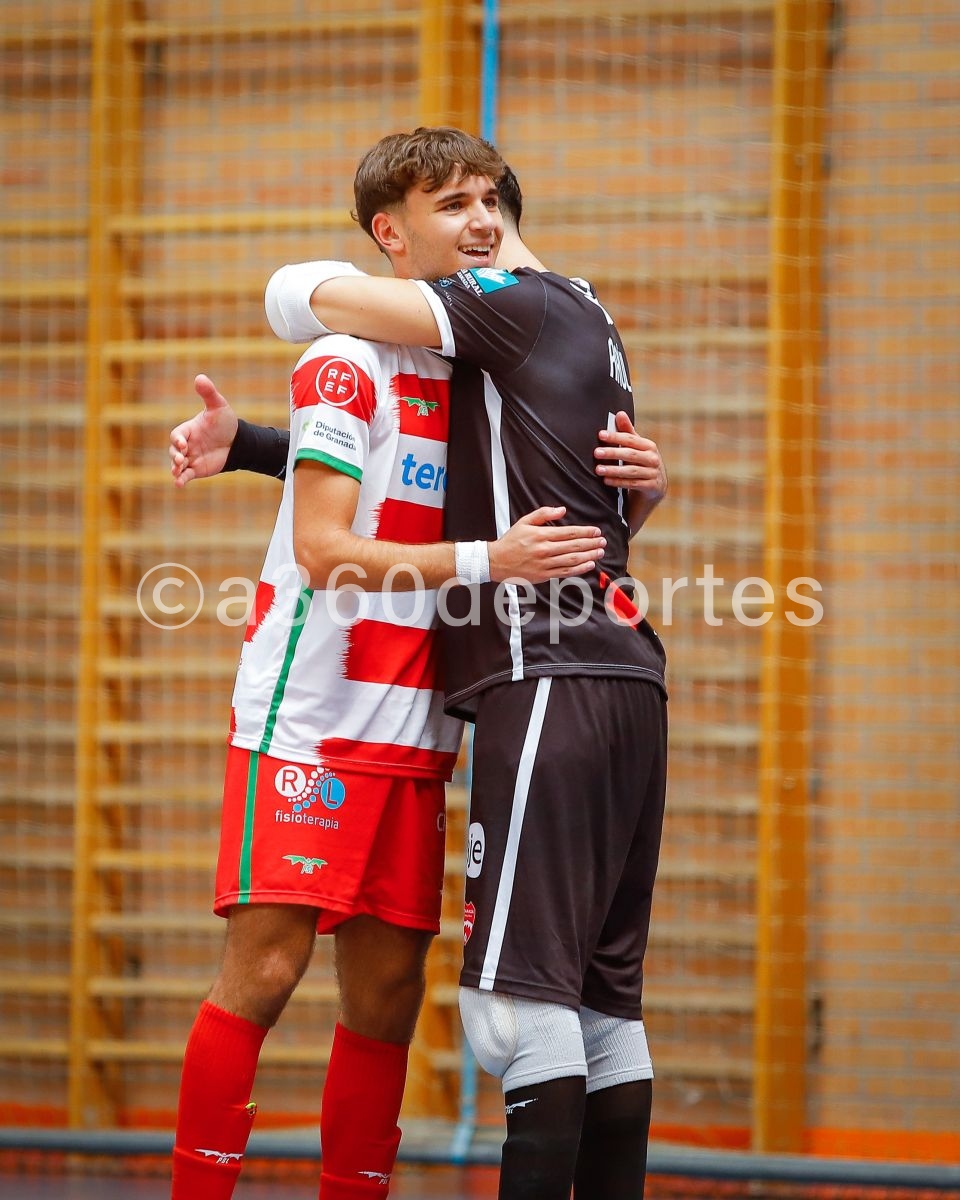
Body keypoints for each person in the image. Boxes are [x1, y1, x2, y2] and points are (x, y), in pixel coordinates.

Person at [171, 135, 669, 1200]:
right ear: (391, 234)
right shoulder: (345, 353)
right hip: (311, 708)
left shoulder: (474, 353)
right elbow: (326, 547)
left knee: (391, 992)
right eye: (452, 205)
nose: (481, 222)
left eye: (492, 202)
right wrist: (269, 437)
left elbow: (449, 472)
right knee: (267, 967)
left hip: (424, 720)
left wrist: (636, 492)